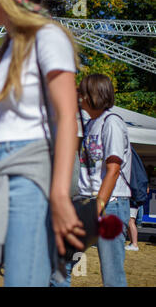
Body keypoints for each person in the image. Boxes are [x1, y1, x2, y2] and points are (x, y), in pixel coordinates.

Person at [0, 0, 85, 287]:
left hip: (30, 176)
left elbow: (66, 118)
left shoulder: (49, 36)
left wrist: (61, 195)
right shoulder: (7, 48)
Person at [74, 74, 131, 286]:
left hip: (109, 206)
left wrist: (97, 206)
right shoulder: (90, 124)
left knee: (112, 274)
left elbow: (113, 169)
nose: (79, 97)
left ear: (91, 95)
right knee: (64, 259)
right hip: (87, 202)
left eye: (82, 92)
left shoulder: (112, 123)